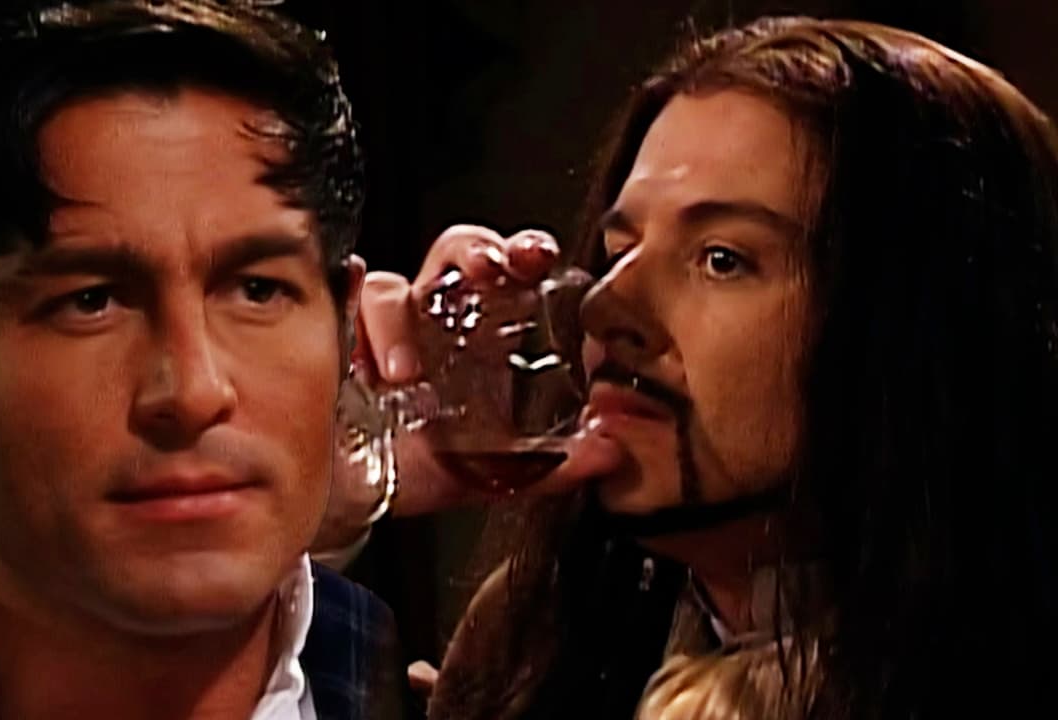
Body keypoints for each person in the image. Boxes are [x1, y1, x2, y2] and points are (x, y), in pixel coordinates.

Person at [354, 16, 1058, 719]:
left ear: (925, 322)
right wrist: (336, 484)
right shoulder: (535, 641)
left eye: (723, 259)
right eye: (618, 251)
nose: (603, 304)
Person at [0, 1, 403, 718]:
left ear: (344, 324)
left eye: (257, 290)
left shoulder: (420, 683)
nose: (194, 391)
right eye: (91, 301)